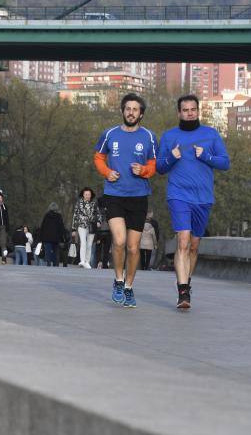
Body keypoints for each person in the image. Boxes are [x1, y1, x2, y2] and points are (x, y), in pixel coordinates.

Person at [157, 94, 230, 309]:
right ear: (179, 113)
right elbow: (160, 167)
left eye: (193, 109)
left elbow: (225, 163)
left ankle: (186, 283)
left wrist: (206, 156)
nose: (189, 113)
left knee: (194, 246)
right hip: (178, 195)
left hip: (203, 198)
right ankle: (182, 293)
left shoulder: (211, 134)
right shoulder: (170, 136)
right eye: (185, 110)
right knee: (183, 240)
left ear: (198, 111)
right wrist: (172, 157)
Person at [93, 93, 157, 307]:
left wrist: (144, 170)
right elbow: (98, 157)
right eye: (127, 109)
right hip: (114, 195)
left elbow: (153, 164)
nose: (131, 112)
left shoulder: (148, 137)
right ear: (122, 111)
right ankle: (118, 281)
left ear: (141, 114)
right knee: (118, 241)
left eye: (135, 109)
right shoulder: (109, 134)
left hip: (138, 197)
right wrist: (107, 172)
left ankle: (129, 286)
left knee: (132, 247)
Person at [71, 187, 102, 269]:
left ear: (91, 195)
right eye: (86, 194)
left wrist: (99, 222)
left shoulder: (94, 203)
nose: (87, 196)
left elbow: (98, 214)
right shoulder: (79, 203)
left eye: (89, 194)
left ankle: (87, 261)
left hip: (92, 226)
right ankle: (82, 260)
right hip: (82, 226)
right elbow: (75, 215)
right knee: (83, 243)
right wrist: (73, 229)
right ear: (83, 195)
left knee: (89, 244)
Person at [38, 202, 65, 267]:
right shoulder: (59, 216)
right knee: (56, 252)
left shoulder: (46, 216)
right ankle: (55, 264)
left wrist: (41, 238)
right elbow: (61, 227)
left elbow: (42, 227)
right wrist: (62, 238)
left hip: (47, 238)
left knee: (48, 252)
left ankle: (48, 264)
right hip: (56, 237)